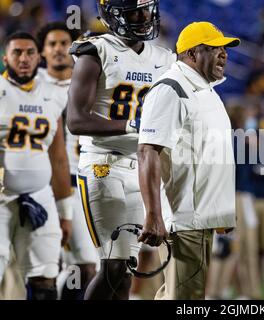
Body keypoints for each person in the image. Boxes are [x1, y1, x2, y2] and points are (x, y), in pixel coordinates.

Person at [66, 0, 175, 300]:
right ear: (112, 14)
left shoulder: (164, 57)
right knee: (113, 265)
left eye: (146, 9)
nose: (143, 16)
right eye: (134, 11)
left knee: (126, 269)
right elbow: (75, 119)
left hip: (143, 165)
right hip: (103, 164)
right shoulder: (95, 51)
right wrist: (130, 125)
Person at [137, 21, 239, 300]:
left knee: (178, 295)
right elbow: (148, 151)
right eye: (214, 49)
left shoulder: (206, 90)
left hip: (201, 217)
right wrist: (153, 215)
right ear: (192, 54)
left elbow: (209, 154)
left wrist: (221, 209)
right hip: (183, 220)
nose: (224, 54)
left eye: (224, 49)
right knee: (185, 299)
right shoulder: (171, 88)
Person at [0, 31, 72, 300]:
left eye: (30, 52)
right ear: (5, 56)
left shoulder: (53, 95)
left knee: (45, 279)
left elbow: (59, 157)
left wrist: (65, 212)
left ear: (38, 56)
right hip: (1, 198)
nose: (24, 58)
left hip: (41, 196)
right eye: (17, 52)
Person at [36, 21, 99, 300]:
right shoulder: (32, 86)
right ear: (42, 52)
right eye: (52, 44)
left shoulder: (90, 83)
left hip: (83, 184)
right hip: (41, 186)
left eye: (65, 43)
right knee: (42, 267)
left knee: (89, 265)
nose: (59, 49)